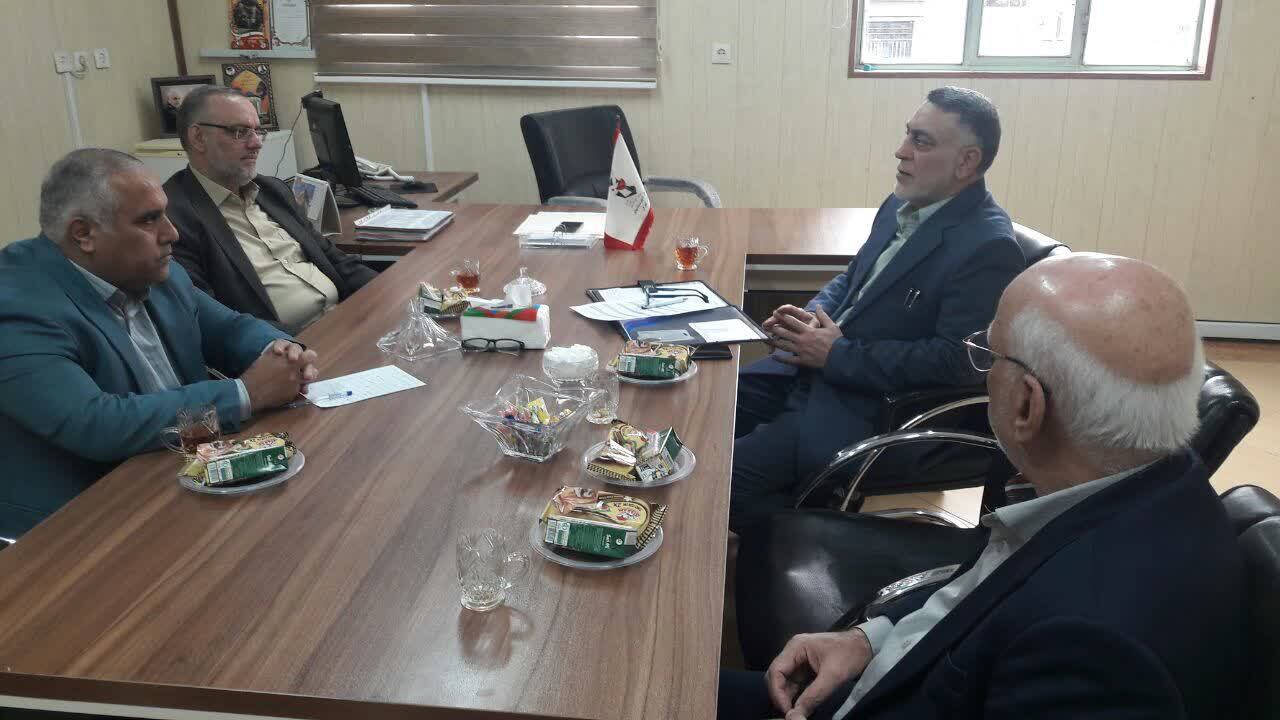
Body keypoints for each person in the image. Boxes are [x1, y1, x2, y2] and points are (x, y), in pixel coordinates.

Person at [720, 253, 1244, 720]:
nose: (983, 368)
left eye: (987, 354)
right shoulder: (1137, 481)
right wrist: (870, 638)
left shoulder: (1092, 652)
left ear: (1027, 405)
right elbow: (981, 585)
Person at [730, 87, 1025, 533]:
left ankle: (817, 540)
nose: (901, 151)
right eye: (907, 135)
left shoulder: (987, 247)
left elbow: (959, 363)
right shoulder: (902, 204)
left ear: (967, 162)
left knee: (720, 480)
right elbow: (852, 279)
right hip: (810, 373)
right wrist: (811, 318)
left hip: (866, 405)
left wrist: (836, 354)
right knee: (704, 414)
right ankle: (791, 519)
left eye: (921, 142)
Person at [0, 149, 320, 539]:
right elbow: (95, 424)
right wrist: (246, 393)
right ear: (83, 234)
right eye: (149, 219)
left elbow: (229, 328)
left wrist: (282, 352)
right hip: (82, 524)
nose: (172, 233)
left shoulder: (149, 269)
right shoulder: (17, 305)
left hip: (186, 474)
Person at [163, 86, 376, 333]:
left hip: (345, 319)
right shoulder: (173, 218)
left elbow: (332, 257)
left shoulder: (272, 190)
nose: (256, 143)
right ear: (198, 138)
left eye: (257, 131)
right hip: (291, 343)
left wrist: (391, 292)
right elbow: (211, 321)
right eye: (240, 131)